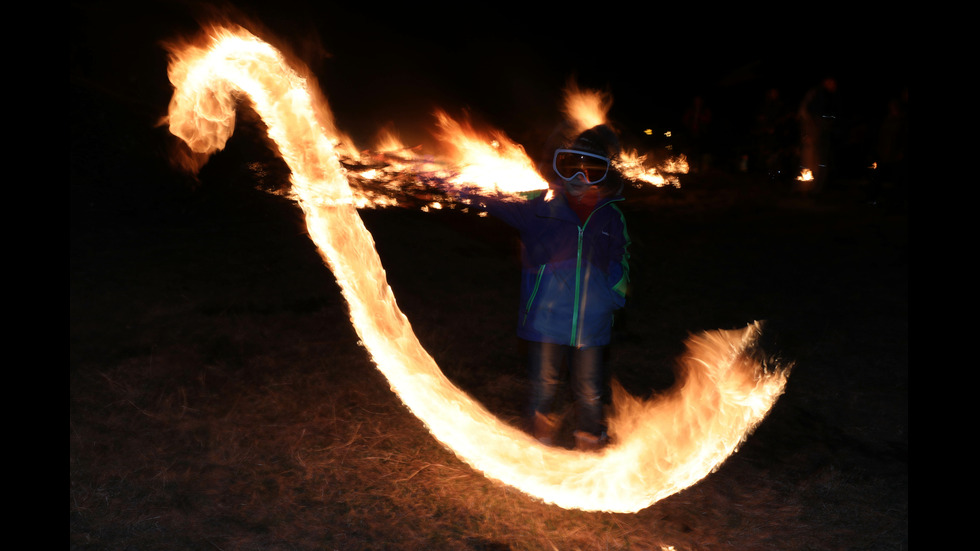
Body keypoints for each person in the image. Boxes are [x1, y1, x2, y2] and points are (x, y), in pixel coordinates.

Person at [475, 124, 630, 451]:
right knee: (544, 385)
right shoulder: (539, 207)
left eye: (593, 170)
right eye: (573, 168)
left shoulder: (611, 216)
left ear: (604, 174)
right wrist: (448, 180)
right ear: (561, 167)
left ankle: (588, 441)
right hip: (546, 319)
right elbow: (486, 196)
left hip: (591, 323)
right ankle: (538, 444)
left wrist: (612, 296)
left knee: (589, 389)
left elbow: (621, 258)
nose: (581, 178)